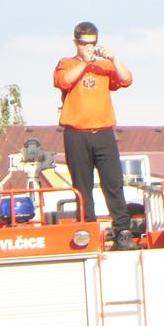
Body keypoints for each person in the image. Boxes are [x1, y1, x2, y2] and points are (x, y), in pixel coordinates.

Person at [53, 20, 136, 251]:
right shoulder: (67, 63)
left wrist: (113, 59)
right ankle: (87, 230)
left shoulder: (104, 66)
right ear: (76, 43)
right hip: (76, 134)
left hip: (103, 133)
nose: (89, 47)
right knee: (82, 186)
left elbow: (126, 79)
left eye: (92, 43)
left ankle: (122, 232)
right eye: (84, 43)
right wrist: (85, 63)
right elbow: (63, 81)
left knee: (113, 183)